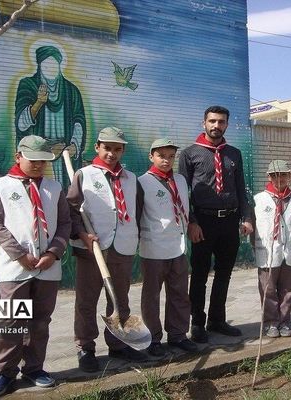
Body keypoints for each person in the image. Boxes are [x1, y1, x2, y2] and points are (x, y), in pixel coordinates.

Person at [0, 135, 71, 398]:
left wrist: (53, 253)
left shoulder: (54, 189)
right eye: (32, 160)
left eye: (43, 161)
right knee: (12, 320)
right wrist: (19, 254)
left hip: (47, 267)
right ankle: (5, 372)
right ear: (18, 156)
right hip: (15, 267)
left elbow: (65, 224)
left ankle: (34, 368)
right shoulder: (0, 186)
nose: (37, 165)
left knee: (40, 320)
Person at [67, 126, 147, 373]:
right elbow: (71, 210)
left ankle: (118, 343)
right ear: (97, 148)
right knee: (87, 300)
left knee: (120, 298)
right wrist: (81, 234)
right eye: (107, 148)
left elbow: (137, 210)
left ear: (122, 150)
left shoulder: (131, 179)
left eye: (117, 149)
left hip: (122, 246)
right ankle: (86, 347)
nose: (112, 153)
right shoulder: (84, 175)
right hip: (93, 249)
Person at [178, 105, 253, 343]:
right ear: (204, 123)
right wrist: (191, 221)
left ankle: (217, 320)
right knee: (199, 274)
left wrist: (247, 217)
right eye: (212, 121)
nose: (216, 126)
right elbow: (183, 192)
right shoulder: (190, 153)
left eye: (221, 122)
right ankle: (197, 323)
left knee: (224, 273)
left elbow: (241, 187)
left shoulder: (234, 153)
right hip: (203, 222)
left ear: (226, 125)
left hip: (229, 221)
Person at [138, 138, 198, 357]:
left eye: (171, 156)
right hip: (154, 247)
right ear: (151, 156)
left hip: (178, 246)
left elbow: (185, 207)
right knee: (152, 295)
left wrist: (191, 223)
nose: (166, 160)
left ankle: (178, 334)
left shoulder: (180, 180)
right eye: (161, 156)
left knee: (179, 293)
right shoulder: (142, 182)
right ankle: (152, 339)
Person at [15, 45, 86, 189]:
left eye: (54, 65)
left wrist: (74, 146)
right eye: (46, 65)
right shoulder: (28, 85)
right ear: (39, 66)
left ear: (60, 66)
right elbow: (21, 124)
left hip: (64, 152)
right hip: (39, 155)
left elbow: (79, 121)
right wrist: (39, 103)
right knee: (38, 191)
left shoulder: (71, 90)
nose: (50, 69)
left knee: (65, 192)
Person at [252, 160, 291, 338]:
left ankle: (284, 322)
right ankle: (270, 323)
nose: (279, 178)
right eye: (275, 175)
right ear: (269, 177)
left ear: (289, 176)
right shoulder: (259, 199)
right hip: (267, 250)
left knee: (288, 289)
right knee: (268, 288)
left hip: (290, 250)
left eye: (283, 175)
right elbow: (253, 225)